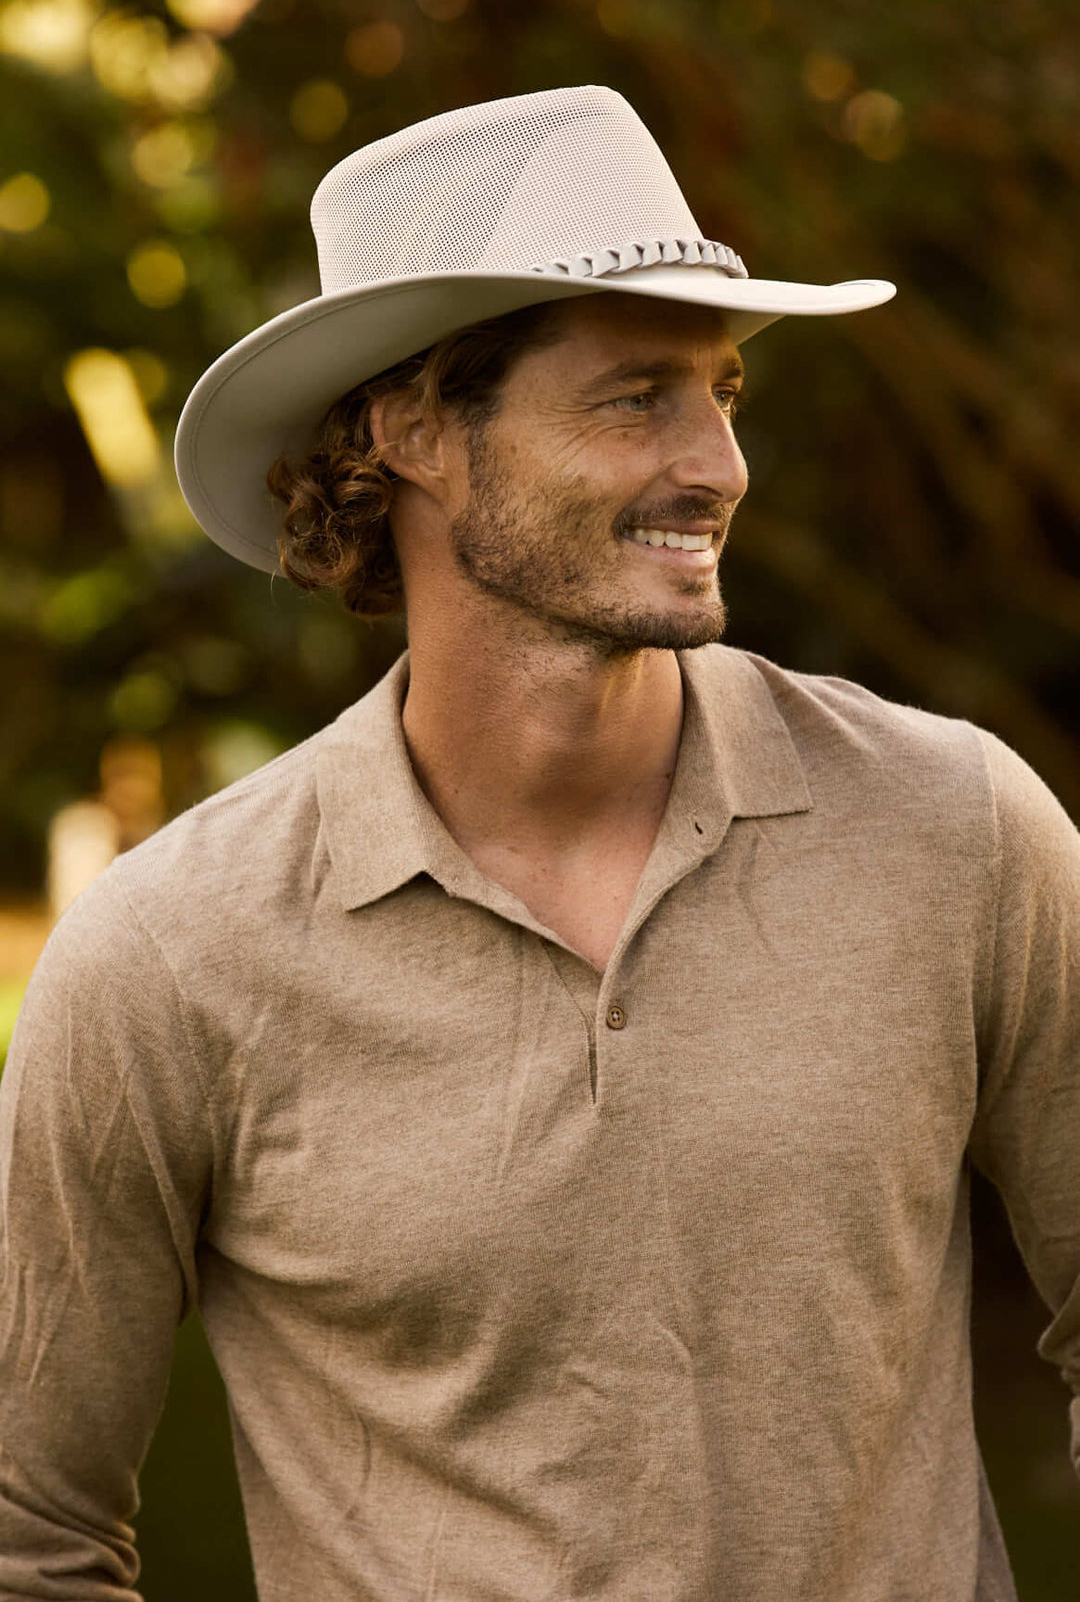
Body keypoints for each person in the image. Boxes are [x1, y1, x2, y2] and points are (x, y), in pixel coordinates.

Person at [0, 85, 1076, 1602]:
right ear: (415, 430)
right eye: (636, 397)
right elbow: (26, 1530)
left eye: (724, 393)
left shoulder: (955, 827)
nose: (718, 465)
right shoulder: (173, 957)